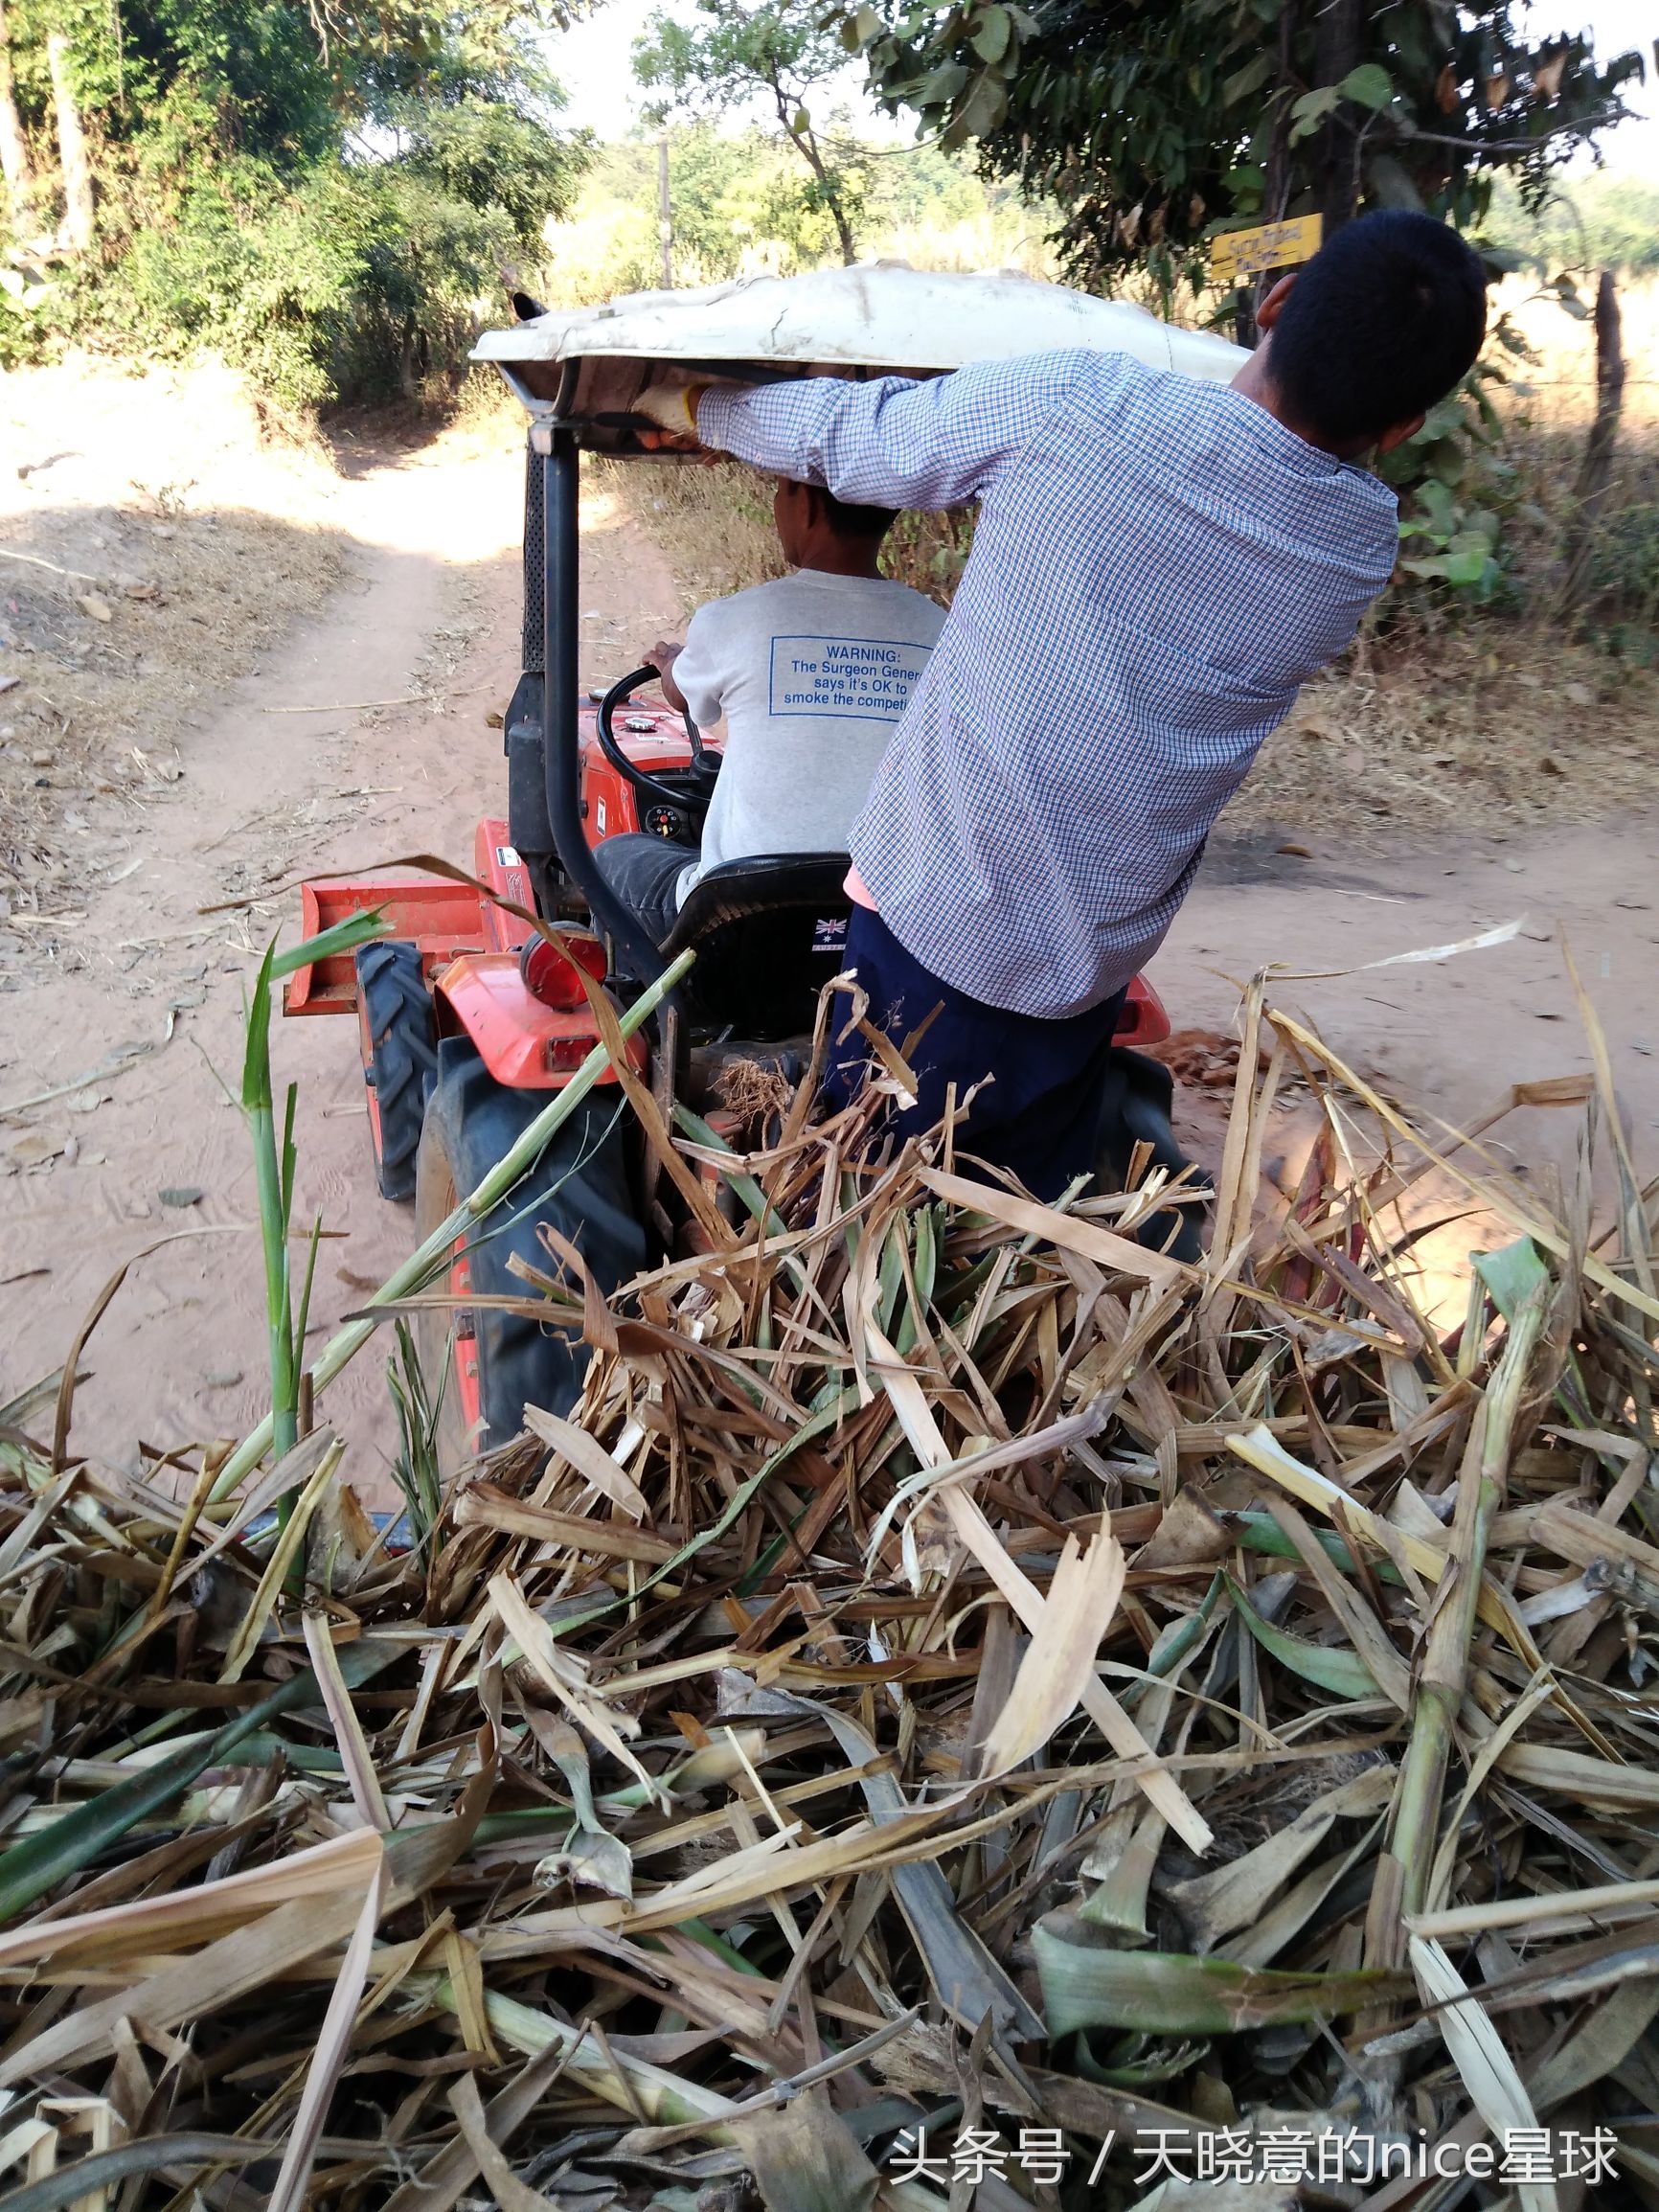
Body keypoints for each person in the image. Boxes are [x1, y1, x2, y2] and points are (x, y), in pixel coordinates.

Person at [636, 210, 1488, 1199]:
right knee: (1029, 1208)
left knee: (875, 1207)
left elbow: (843, 436)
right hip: (1086, 963)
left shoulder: (1078, 406)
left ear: (1278, 300)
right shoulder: (1354, 550)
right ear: (1403, 426)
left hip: (927, 924)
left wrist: (681, 397)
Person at [592, 477, 945, 946]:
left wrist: (669, 664)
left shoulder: (733, 618)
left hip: (738, 921)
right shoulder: (941, 629)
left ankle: (634, 1010)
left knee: (614, 855)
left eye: (782, 489)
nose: (777, 504)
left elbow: (680, 697)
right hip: (883, 916)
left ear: (809, 505)